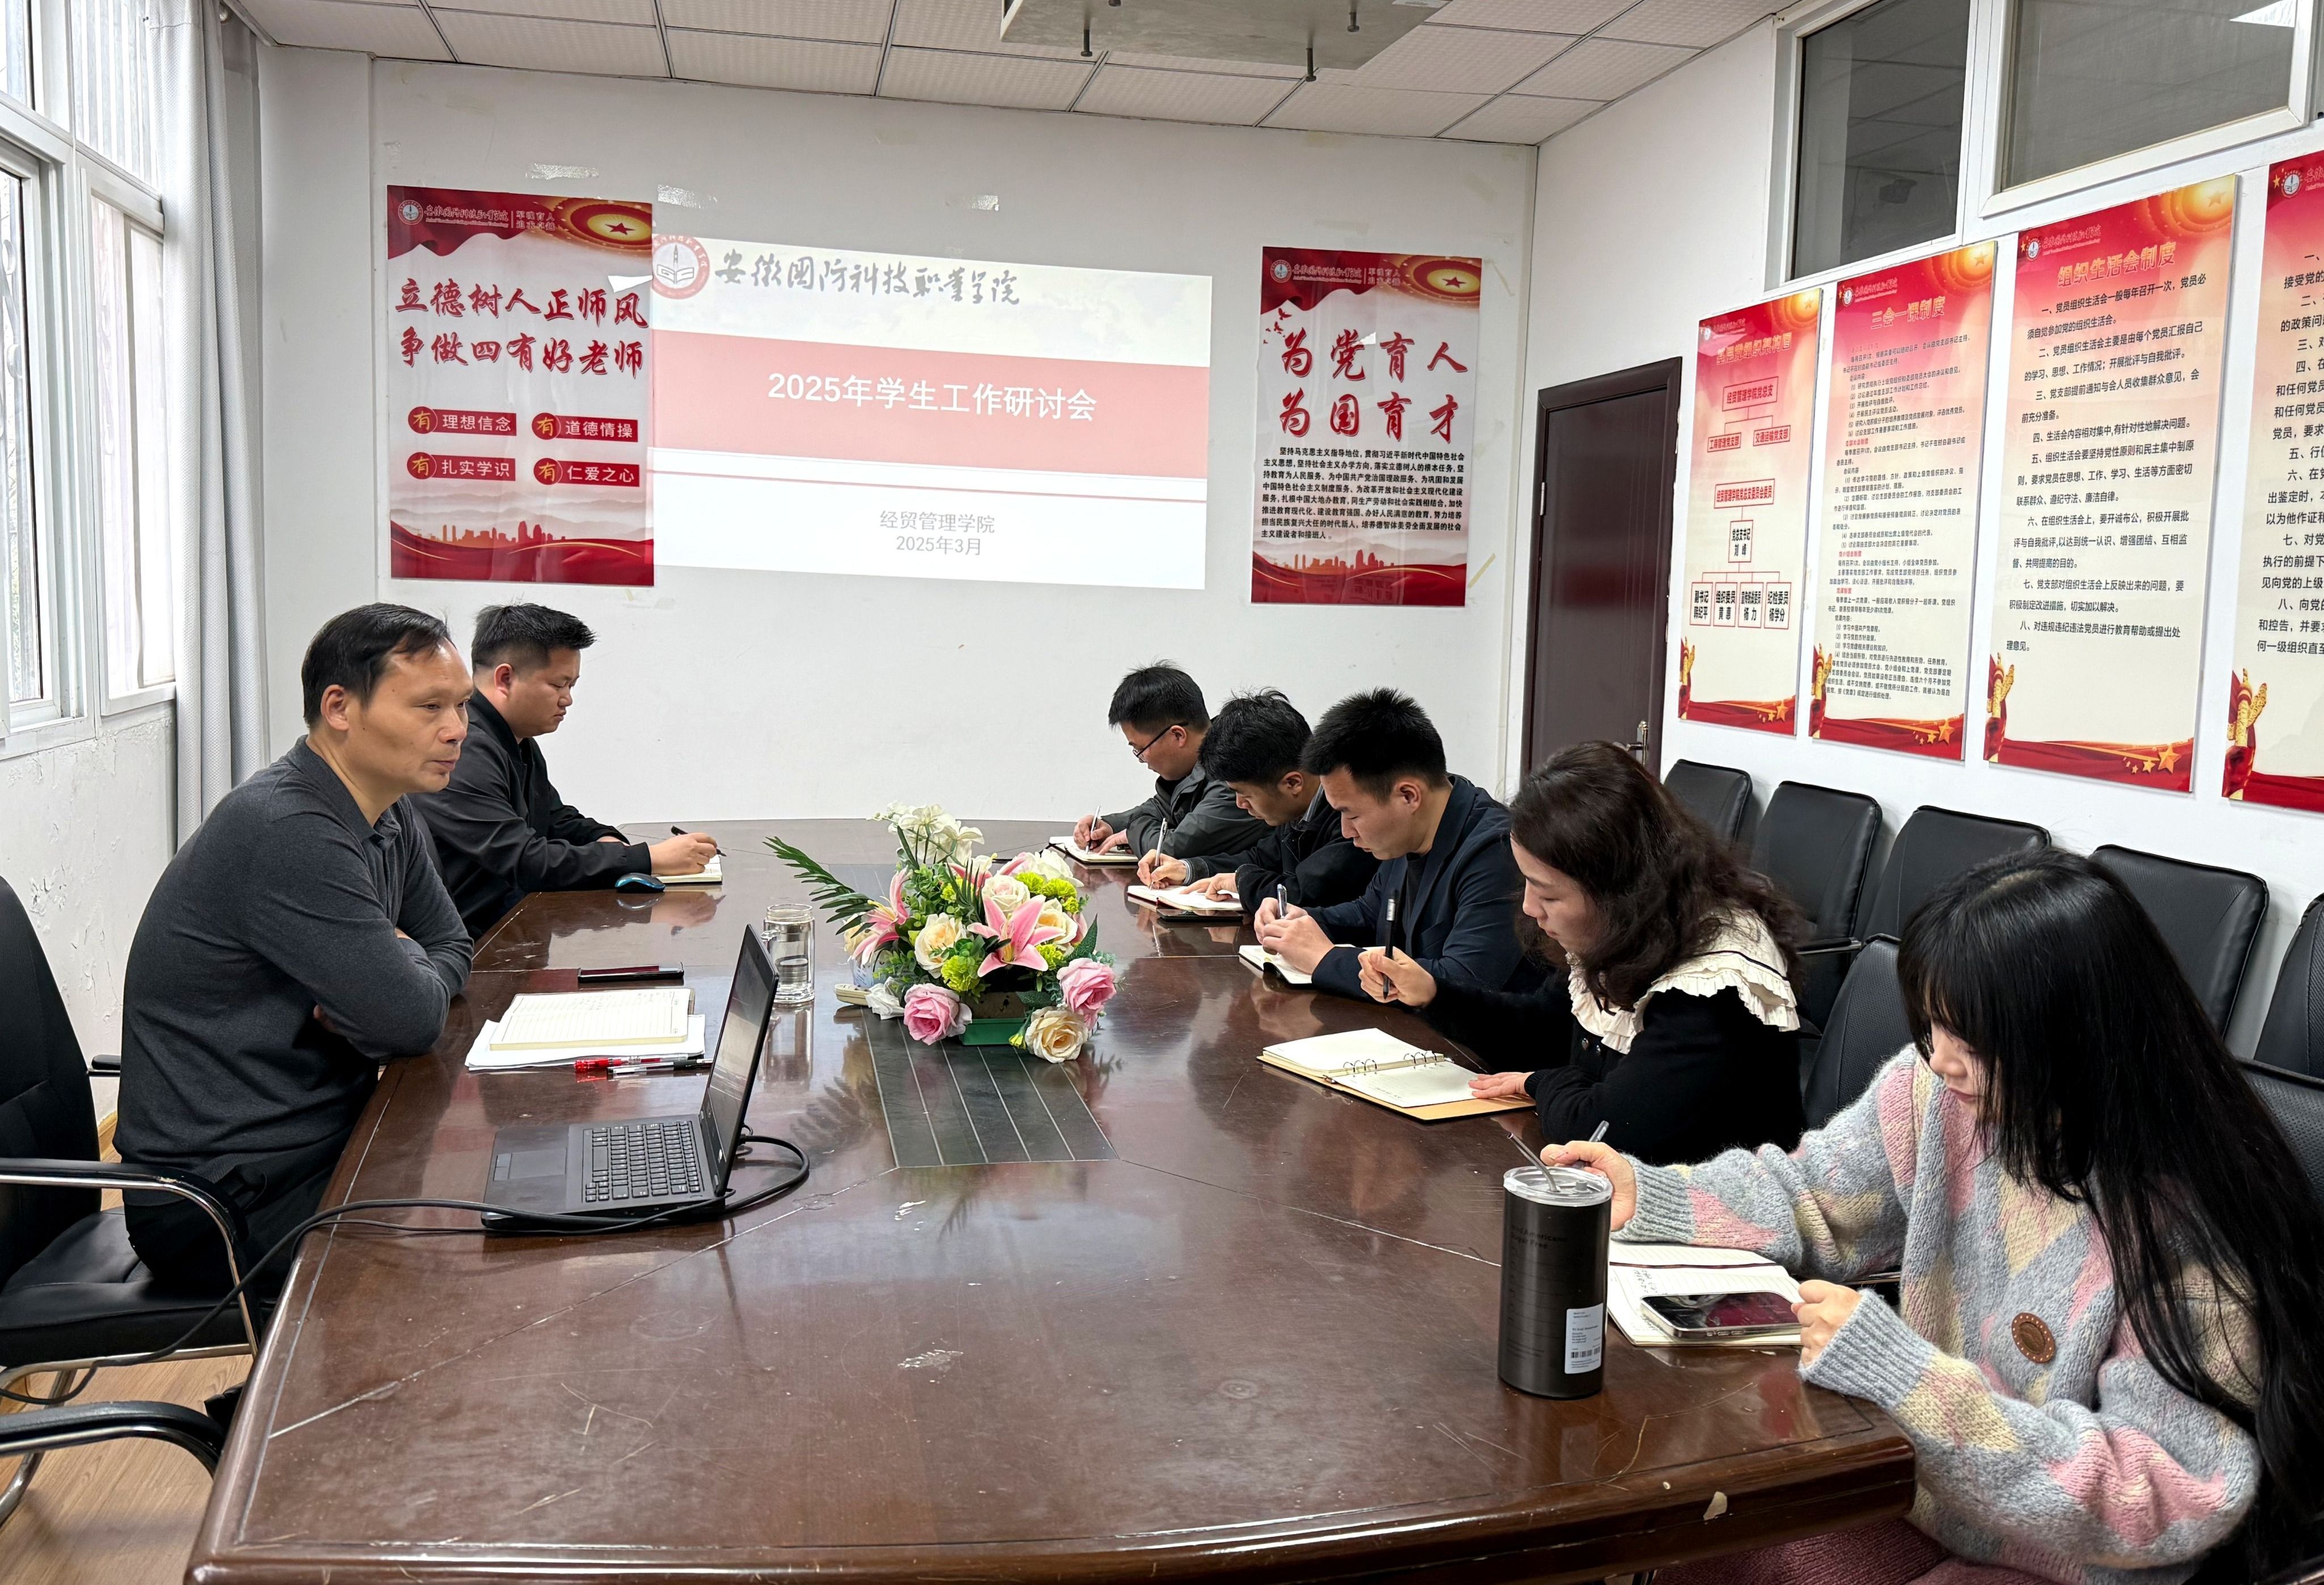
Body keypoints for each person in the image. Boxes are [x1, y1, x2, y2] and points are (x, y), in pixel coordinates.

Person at [1553, 849, 2324, 1585]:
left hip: (2074, 1560)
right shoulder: (1940, 1091)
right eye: (1932, 1025)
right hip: (1925, 1488)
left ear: (2075, 1039)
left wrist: (1908, 1382)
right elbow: (1815, 1194)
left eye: (1974, 1038)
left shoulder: (2187, 1226)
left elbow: (2162, 1495)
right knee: (1714, 1529)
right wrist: (1655, 1195)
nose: (1942, 1060)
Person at [116, 605, 478, 1295]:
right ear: (339, 707)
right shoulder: (289, 827)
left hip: (314, 1145)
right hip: (221, 1200)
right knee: (464, 1258)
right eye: (430, 706)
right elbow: (409, 1021)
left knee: (489, 1198)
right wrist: (401, 975)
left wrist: (402, 963)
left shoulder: (388, 808)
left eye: (461, 705)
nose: (457, 728)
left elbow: (451, 941)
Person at [1364, 741, 1803, 1161]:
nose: (1529, 907)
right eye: (1528, 882)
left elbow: (1600, 1130)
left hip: (1712, 1205)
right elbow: (1543, 1029)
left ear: (1619, 891)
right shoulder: (1630, 929)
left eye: (1548, 894)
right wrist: (1434, 994)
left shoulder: (1713, 987)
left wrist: (1543, 1082)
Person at [417, 603, 718, 936]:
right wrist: (648, 858)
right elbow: (524, 859)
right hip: (478, 942)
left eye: (571, 686)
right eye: (559, 685)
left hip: (518, 925)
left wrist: (605, 840)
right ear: (505, 678)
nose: (567, 700)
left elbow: (556, 819)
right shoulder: (466, 749)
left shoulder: (517, 741)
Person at [1253, 689, 1533, 1009]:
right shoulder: (1409, 831)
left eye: (1352, 814)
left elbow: (1463, 981)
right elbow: (1369, 913)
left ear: (1408, 796)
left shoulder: (1498, 852)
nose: (1346, 831)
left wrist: (1324, 958)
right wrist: (1301, 921)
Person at [1133, 689, 1378, 918]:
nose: (1240, 804)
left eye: (1246, 795)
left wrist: (1241, 881)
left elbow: (1305, 893)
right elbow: (1260, 858)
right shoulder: (1295, 810)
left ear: (1293, 784)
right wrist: (1189, 869)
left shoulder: (1350, 821)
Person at [1073, 663, 1266, 869]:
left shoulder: (1233, 774)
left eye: (1140, 749)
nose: (1141, 759)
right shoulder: (1200, 762)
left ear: (1177, 735)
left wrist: (1133, 831)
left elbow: (1171, 850)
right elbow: (1162, 808)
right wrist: (1111, 825)